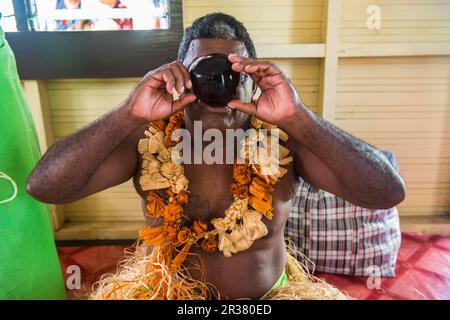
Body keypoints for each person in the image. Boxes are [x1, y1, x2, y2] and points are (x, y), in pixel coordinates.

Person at [26, 13, 405, 300]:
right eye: (204, 72)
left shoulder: (287, 140)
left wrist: (298, 116)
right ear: (181, 76)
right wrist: (128, 111)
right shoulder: (146, 139)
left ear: (251, 77)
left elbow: (386, 192)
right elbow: (44, 187)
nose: (219, 84)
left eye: (232, 73)